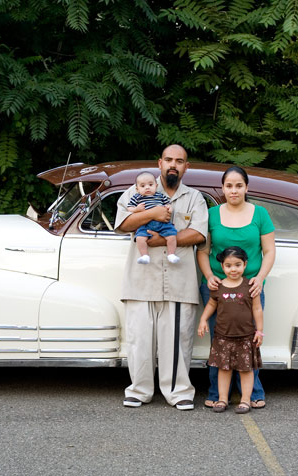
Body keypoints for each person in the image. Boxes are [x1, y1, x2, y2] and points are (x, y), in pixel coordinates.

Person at [114, 145, 209, 410]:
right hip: (141, 280)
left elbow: (199, 233)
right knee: (139, 339)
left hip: (179, 280)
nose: (173, 165)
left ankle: (179, 392)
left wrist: (159, 241)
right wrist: (153, 214)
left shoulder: (194, 198)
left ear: (185, 167)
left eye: (179, 161)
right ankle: (139, 390)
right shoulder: (138, 188)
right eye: (168, 159)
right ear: (160, 162)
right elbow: (123, 224)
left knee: (177, 340)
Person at [197, 166, 275, 409]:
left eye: (238, 185)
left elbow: (270, 251)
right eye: (229, 185)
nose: (234, 190)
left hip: (250, 287)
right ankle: (216, 391)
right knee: (219, 340)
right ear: (223, 188)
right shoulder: (211, 214)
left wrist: (260, 278)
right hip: (217, 288)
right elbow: (203, 250)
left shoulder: (260, 214)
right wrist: (209, 275)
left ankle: (251, 393)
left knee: (249, 340)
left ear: (246, 187)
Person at [197, 246, 264, 414]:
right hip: (223, 337)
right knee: (223, 368)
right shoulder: (218, 287)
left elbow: (257, 309)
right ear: (222, 266)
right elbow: (212, 304)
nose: (233, 269)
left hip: (245, 337)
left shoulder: (250, 285)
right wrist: (203, 320)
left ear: (245, 264)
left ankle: (245, 400)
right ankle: (222, 399)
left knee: (246, 369)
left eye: (237, 264)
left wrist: (259, 331)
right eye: (228, 265)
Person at [127, 171, 180, 264]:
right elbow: (129, 208)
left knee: (172, 236)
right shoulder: (137, 197)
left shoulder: (160, 196)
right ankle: (144, 255)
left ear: (156, 185)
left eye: (150, 184)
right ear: (137, 189)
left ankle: (171, 254)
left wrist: (169, 208)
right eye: (143, 186)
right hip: (145, 224)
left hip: (163, 223)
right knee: (140, 238)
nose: (147, 187)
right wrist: (136, 209)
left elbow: (167, 204)